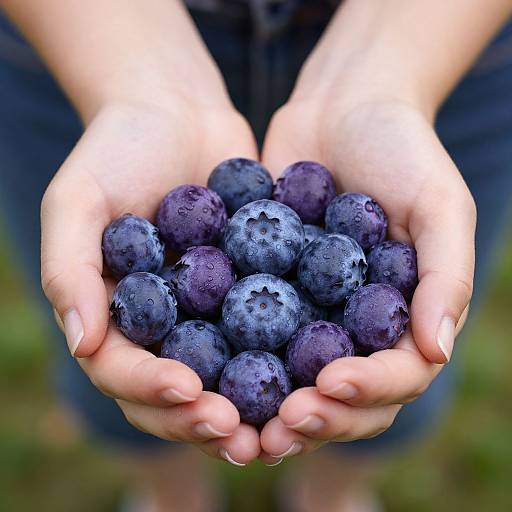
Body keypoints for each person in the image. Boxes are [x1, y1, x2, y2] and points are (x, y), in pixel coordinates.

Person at [1, 1, 511, 510]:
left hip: (443, 44)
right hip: (84, 39)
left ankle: (329, 497)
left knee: (383, 393)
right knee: (124, 390)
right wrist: (138, 88)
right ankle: (173, 498)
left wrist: (384, 82)